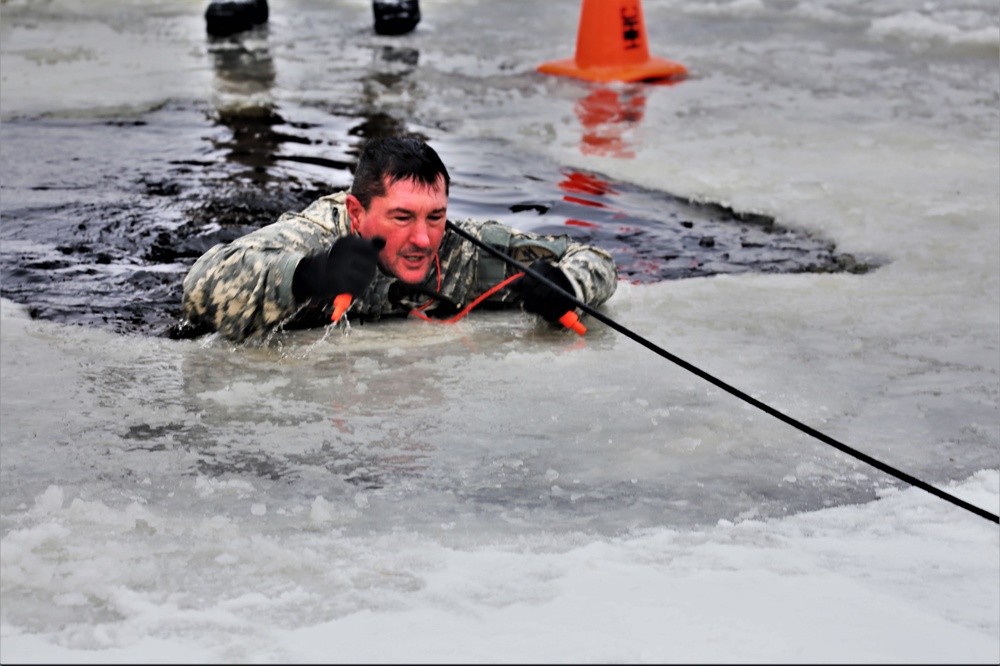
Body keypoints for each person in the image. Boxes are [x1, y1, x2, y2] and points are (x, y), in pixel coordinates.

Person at [182, 136, 618, 342]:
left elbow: (593, 257)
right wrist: (309, 275)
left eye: (436, 216)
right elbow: (201, 286)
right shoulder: (317, 235)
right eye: (402, 217)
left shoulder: (460, 250)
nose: (423, 239)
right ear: (358, 212)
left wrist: (567, 286)